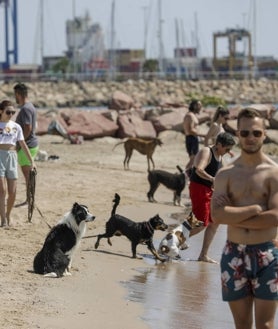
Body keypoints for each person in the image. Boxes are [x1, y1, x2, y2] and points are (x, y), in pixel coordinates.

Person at [211, 108, 278, 329]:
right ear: (237, 133)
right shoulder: (226, 174)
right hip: (234, 253)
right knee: (241, 325)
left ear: (265, 133)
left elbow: (275, 217)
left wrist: (234, 215)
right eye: (245, 133)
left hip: (267, 253)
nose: (250, 138)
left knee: (265, 325)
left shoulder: (273, 173)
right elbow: (217, 215)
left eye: (256, 133)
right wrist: (255, 209)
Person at [189, 132, 236, 263]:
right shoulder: (207, 151)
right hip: (199, 188)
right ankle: (173, 241)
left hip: (210, 190)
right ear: (219, 144)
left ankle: (203, 255)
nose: (228, 152)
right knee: (201, 223)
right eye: (227, 149)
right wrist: (212, 179)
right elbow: (198, 169)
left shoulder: (220, 156)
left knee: (215, 222)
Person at [0, 100, 35, 226]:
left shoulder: (16, 126)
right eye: (8, 112)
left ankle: (8, 214)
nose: (10, 115)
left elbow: (23, 144)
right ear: (1, 111)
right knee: (2, 191)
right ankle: (3, 219)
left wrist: (32, 161)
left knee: (13, 192)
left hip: (12, 157)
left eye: (13, 112)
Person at [14, 83, 39, 207]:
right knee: (28, 175)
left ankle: (29, 201)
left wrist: (19, 142)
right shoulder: (30, 107)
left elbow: (28, 128)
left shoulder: (25, 109)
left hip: (27, 146)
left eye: (15, 95)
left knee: (28, 176)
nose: (15, 98)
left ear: (19, 94)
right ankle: (29, 200)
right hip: (30, 144)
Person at [183, 99, 205, 176]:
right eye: (199, 105)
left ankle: (187, 176)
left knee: (193, 160)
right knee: (193, 160)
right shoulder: (190, 116)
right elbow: (190, 130)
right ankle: (183, 175)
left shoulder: (191, 115)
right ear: (195, 106)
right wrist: (203, 135)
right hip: (191, 138)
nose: (201, 107)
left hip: (191, 138)